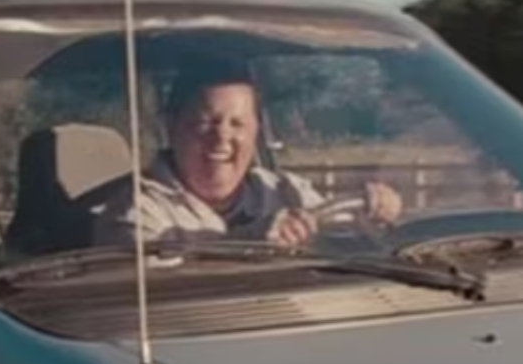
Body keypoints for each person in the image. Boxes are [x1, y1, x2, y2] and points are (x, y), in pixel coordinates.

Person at [96, 62, 403, 248]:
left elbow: (343, 243)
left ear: (257, 130)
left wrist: (376, 215)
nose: (222, 138)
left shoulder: (286, 192)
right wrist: (249, 245)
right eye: (206, 122)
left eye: (238, 123)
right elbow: (154, 297)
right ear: (171, 125)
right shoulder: (136, 213)